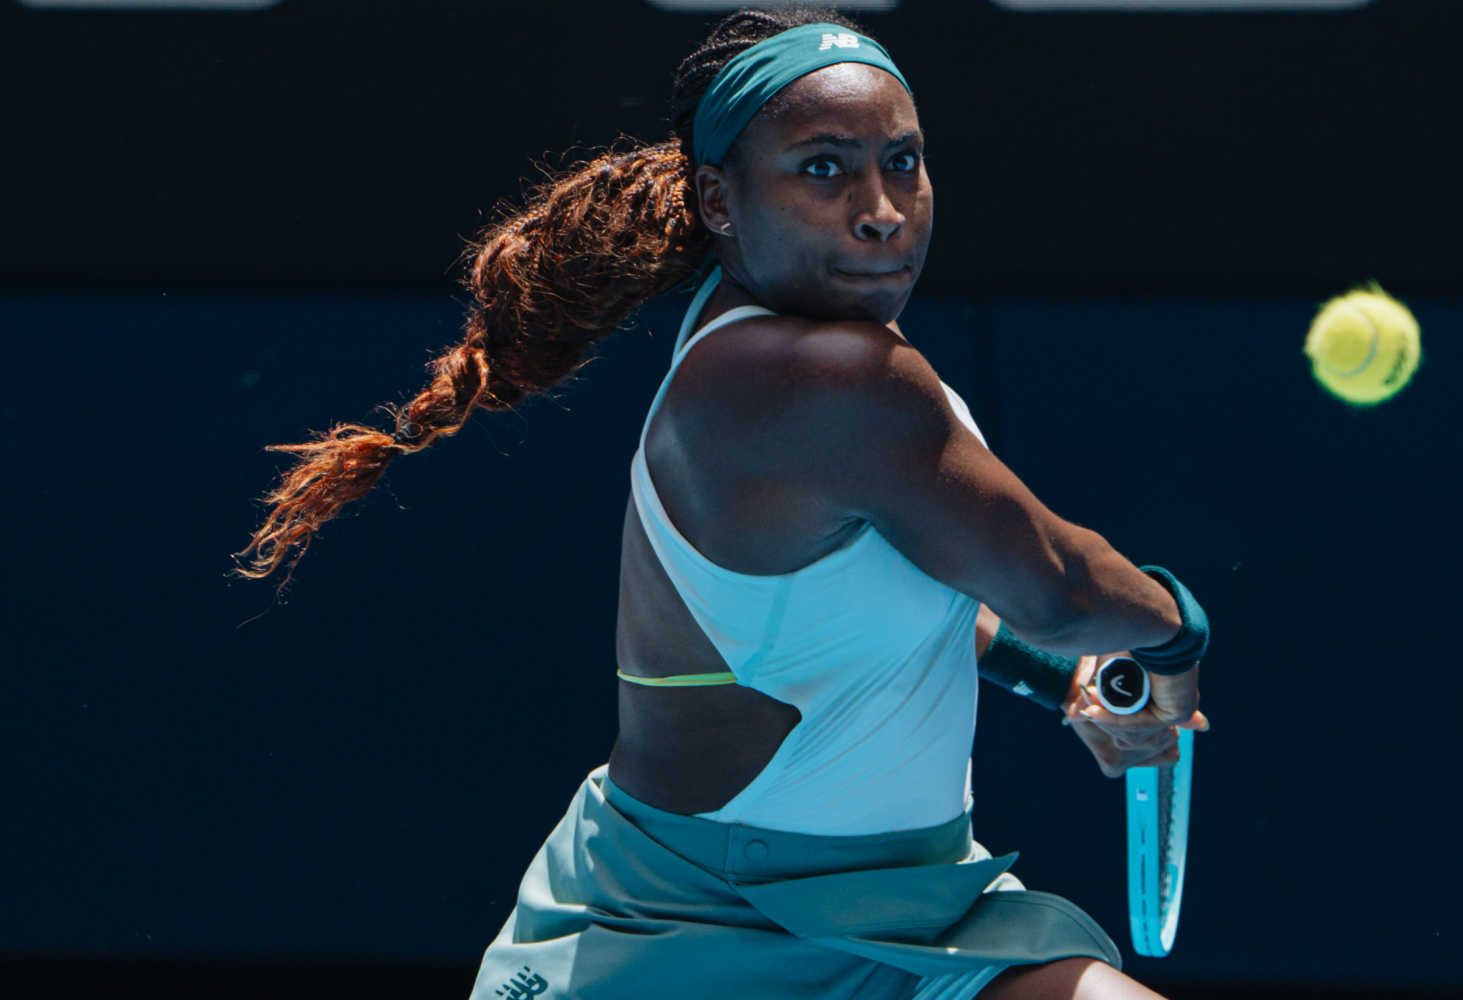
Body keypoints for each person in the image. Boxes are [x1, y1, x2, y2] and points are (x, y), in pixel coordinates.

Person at [230, 7, 1210, 999]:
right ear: (719, 200)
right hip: (676, 942)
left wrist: (1066, 680)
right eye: (823, 168)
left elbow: (869, 602)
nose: (880, 208)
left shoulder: (765, 330)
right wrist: (1174, 636)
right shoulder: (827, 377)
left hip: (906, 918)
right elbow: (1059, 581)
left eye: (902, 163)